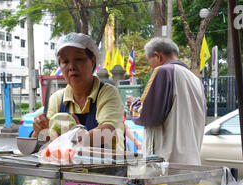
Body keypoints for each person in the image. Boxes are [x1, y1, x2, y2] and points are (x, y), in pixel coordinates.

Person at [32, 32, 125, 151]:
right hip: (67, 168)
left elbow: (107, 132)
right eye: (65, 62)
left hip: (106, 167)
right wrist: (39, 130)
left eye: (79, 60)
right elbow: (46, 140)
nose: (71, 67)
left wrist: (74, 134)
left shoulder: (107, 93)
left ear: (93, 61)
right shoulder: (57, 98)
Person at [127, 37, 206, 165]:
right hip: (191, 160)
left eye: (150, 62)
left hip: (166, 162)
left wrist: (134, 104)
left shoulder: (164, 71)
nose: (151, 68)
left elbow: (148, 115)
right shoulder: (195, 80)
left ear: (157, 56)